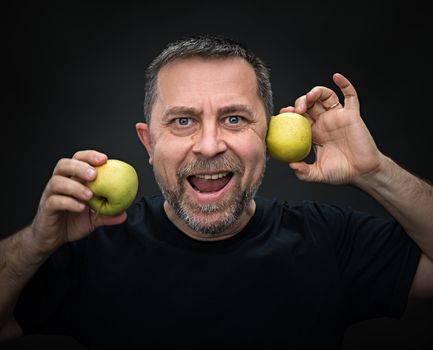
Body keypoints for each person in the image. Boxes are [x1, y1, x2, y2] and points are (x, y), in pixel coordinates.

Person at [0, 34, 432, 349]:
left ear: (267, 136)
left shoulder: (330, 240)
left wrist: (374, 171)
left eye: (234, 119)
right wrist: (36, 244)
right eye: (183, 121)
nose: (209, 146)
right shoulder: (91, 248)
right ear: (149, 143)